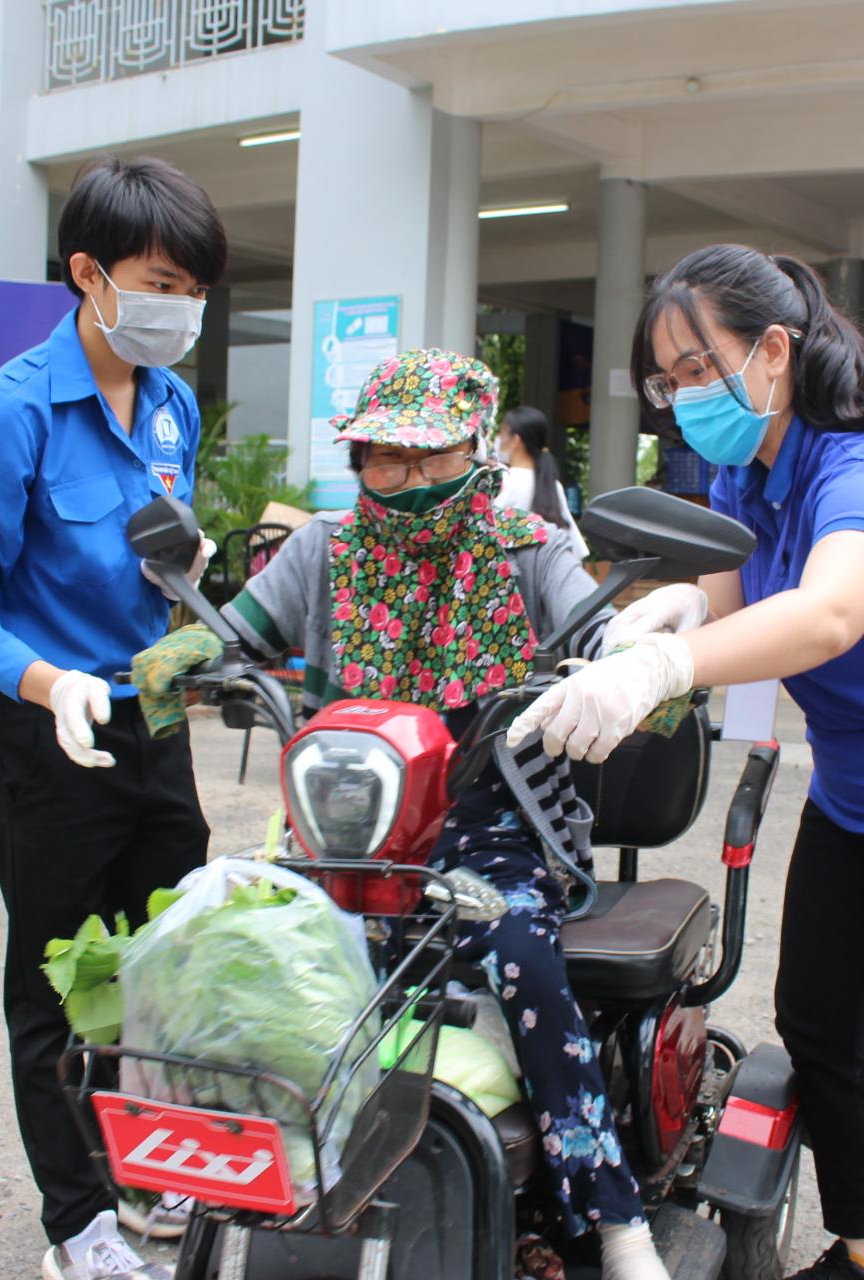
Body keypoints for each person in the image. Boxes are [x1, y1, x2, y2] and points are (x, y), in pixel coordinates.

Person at [510, 244, 864, 1280]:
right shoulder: (745, 473)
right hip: (856, 794)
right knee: (813, 1023)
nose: (682, 396)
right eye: (666, 380)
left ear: (773, 351)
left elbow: (829, 612)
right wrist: (669, 613)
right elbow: (730, 602)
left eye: (697, 368)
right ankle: (861, 1248)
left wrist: (668, 663)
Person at [225, 348, 668, 1280]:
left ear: (476, 451)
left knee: (524, 959)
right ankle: (244, 1192)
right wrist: (171, 660)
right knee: (256, 959)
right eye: (388, 458)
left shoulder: (530, 548)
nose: (411, 478)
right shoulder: (323, 547)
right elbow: (234, 633)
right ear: (360, 460)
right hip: (342, 832)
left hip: (491, 827)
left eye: (432, 456)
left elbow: (601, 635)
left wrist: (642, 654)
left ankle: (614, 1221)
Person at [0, 154, 224, 1280]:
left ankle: (151, 1158)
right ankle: (77, 1218)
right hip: (49, 734)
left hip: (153, 717)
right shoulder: (7, 414)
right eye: (162, 285)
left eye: (195, 292)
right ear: (89, 273)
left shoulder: (171, 401)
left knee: (163, 959)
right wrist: (50, 683)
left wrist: (187, 565)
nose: (180, 311)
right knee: (59, 977)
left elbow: (156, 545)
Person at [495, 404, 588, 558]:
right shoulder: (552, 484)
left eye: (503, 432)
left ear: (516, 440)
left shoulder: (504, 480)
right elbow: (575, 547)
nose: (498, 439)